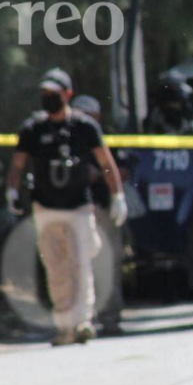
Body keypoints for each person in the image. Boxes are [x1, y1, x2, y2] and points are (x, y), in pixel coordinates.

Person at [7, 68, 128, 346]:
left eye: (54, 93)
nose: (49, 98)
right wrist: (11, 191)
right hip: (46, 208)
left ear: (68, 94)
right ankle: (65, 327)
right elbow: (18, 164)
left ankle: (83, 322)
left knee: (80, 263)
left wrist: (117, 196)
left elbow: (106, 164)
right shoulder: (33, 129)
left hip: (78, 207)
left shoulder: (84, 127)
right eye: (45, 94)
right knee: (56, 268)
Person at [71, 94, 128, 336]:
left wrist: (115, 194)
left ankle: (110, 318)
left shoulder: (105, 138)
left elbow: (122, 168)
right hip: (76, 210)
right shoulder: (70, 138)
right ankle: (82, 320)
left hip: (103, 208)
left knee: (109, 262)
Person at [144, 70, 193, 134]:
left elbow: (186, 111)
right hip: (166, 131)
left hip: (178, 129)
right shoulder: (159, 103)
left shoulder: (180, 97)